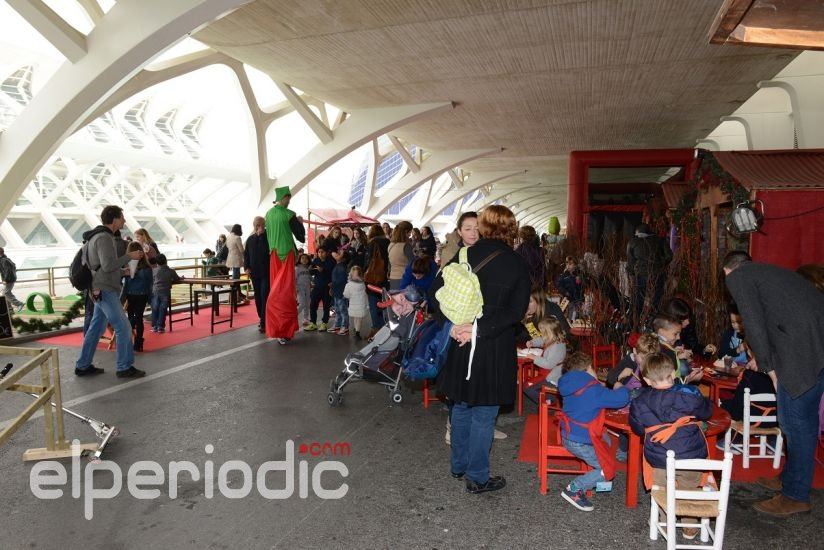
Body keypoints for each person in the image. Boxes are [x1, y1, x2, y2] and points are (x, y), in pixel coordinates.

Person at [428, 205, 531, 494]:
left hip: (460, 344)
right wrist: (479, 328)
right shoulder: (517, 263)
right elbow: (516, 311)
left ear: (483, 226)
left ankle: (458, 465)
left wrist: (454, 326)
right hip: (494, 346)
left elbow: (434, 293)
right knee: (485, 414)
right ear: (511, 229)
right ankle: (477, 476)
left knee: (461, 405)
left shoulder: (464, 255)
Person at [723, 250, 824, 516]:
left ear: (728, 271)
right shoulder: (769, 274)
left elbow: (753, 325)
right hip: (816, 347)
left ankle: (795, 495)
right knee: (805, 421)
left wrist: (770, 369)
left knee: (794, 423)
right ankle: (791, 480)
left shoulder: (739, 277)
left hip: (802, 354)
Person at [629, 352, 713, 538]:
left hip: (660, 457)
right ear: (674, 373)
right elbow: (707, 411)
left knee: (662, 489)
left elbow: (638, 428)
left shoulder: (639, 401)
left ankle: (666, 523)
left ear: (646, 380)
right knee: (689, 488)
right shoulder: (690, 393)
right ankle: (690, 525)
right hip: (691, 455)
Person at [75, 205, 145, 379]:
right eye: (122, 217)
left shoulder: (96, 236)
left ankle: (83, 365)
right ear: (114, 219)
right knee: (123, 327)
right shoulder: (104, 238)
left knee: (96, 328)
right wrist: (129, 257)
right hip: (105, 289)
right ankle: (124, 367)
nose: (124, 220)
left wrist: (122, 272)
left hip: (98, 288)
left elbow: (102, 266)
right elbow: (107, 266)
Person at [558, 352, 630, 511]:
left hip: (569, 433)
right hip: (581, 440)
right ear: (589, 368)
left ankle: (598, 479)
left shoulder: (570, 384)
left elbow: (587, 399)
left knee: (607, 440)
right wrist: (620, 386)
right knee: (607, 468)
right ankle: (575, 489)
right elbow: (621, 399)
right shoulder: (593, 390)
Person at [264, 186, 306, 344]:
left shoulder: (268, 214)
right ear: (283, 198)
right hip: (287, 256)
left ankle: (277, 329)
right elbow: (301, 237)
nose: (289, 201)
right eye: (288, 198)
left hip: (274, 256)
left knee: (276, 291)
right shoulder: (289, 215)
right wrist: (300, 223)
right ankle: (284, 330)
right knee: (286, 293)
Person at [626, 223, 672, 321]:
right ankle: (653, 320)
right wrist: (660, 264)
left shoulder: (633, 242)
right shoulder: (660, 240)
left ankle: (634, 321)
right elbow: (669, 256)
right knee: (657, 298)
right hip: (658, 273)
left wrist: (631, 274)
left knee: (638, 299)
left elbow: (630, 262)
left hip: (640, 274)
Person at [523, 317, 567, 403]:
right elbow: (541, 340)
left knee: (527, 387)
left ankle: (551, 398)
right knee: (528, 386)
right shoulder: (552, 338)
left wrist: (534, 357)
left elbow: (549, 364)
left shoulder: (557, 346)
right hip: (548, 373)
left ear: (548, 332)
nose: (541, 333)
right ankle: (548, 398)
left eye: (542, 331)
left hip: (553, 377)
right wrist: (532, 342)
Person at [653, 314, 702, 385]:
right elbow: (669, 381)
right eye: (675, 334)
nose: (678, 337)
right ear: (661, 331)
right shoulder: (667, 352)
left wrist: (675, 352)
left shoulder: (657, 345)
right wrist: (689, 379)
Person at [124, 242, 153, 352]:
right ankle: (138, 343)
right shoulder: (146, 267)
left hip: (130, 294)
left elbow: (125, 282)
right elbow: (150, 283)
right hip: (142, 295)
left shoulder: (128, 266)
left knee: (130, 317)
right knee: (139, 318)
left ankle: (127, 340)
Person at [244, 216, 270, 333]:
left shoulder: (268, 237)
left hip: (266, 272)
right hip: (254, 273)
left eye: (261, 224)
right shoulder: (250, 239)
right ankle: (261, 317)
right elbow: (246, 255)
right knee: (258, 297)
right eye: (256, 224)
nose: (259, 227)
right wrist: (246, 267)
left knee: (265, 295)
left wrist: (262, 236)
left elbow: (268, 251)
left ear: (264, 225)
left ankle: (264, 322)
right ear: (253, 225)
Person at [363, 223, 390, 336]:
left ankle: (376, 328)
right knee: (384, 302)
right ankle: (384, 328)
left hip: (373, 277)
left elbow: (368, 261)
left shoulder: (372, 243)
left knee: (373, 303)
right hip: (385, 276)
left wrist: (364, 272)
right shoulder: (388, 242)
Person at [305, 247, 335, 332]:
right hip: (317, 286)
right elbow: (311, 272)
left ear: (326, 253)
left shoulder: (331, 261)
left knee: (326, 306)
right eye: (319, 252)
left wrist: (323, 271)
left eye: (322, 252)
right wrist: (310, 269)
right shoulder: (316, 260)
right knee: (313, 305)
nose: (320, 254)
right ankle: (313, 323)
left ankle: (324, 323)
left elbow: (332, 274)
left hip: (327, 287)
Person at [150, 254, 181, 334]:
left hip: (155, 291)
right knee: (163, 309)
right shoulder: (171, 271)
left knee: (155, 309)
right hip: (165, 292)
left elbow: (152, 280)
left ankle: (154, 326)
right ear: (166, 261)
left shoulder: (154, 270)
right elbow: (177, 279)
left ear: (157, 262)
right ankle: (161, 327)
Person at [515, 225, 547, 291]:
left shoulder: (518, 251)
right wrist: (543, 285)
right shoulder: (540, 251)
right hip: (538, 285)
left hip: (523, 286)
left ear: (521, 236)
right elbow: (543, 269)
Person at [387, 221, 414, 290]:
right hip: (405, 279)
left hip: (392, 278)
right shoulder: (406, 246)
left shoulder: (391, 245)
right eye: (410, 232)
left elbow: (389, 264)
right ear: (406, 232)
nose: (410, 235)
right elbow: (412, 264)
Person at [344, 265, 368, 340]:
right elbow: (365, 294)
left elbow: (346, 295)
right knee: (359, 319)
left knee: (355, 317)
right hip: (361, 304)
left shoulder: (348, 285)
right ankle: (357, 332)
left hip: (353, 304)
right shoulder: (363, 284)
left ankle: (356, 329)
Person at [330, 251, 350, 335]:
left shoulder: (342, 266)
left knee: (342, 310)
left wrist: (332, 285)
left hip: (341, 291)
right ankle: (338, 325)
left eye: (339, 254)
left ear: (343, 258)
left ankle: (345, 326)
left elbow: (342, 280)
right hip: (337, 290)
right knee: (338, 310)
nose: (336, 254)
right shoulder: (338, 265)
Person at [0, 247, 23, 312]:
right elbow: (14, 266)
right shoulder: (5, 259)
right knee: (4, 294)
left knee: (6, 293)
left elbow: (8, 271)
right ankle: (9, 310)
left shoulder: (4, 260)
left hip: (9, 280)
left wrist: (5, 280)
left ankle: (19, 304)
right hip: (10, 279)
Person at [295, 253, 312, 327]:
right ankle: (293, 316)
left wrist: (312, 283)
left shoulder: (308, 269)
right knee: (302, 304)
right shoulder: (297, 268)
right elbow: (294, 279)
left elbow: (310, 278)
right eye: (302, 258)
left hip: (307, 288)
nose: (304, 260)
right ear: (299, 260)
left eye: (306, 258)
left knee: (307, 303)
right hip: (300, 288)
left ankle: (305, 319)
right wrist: (296, 288)